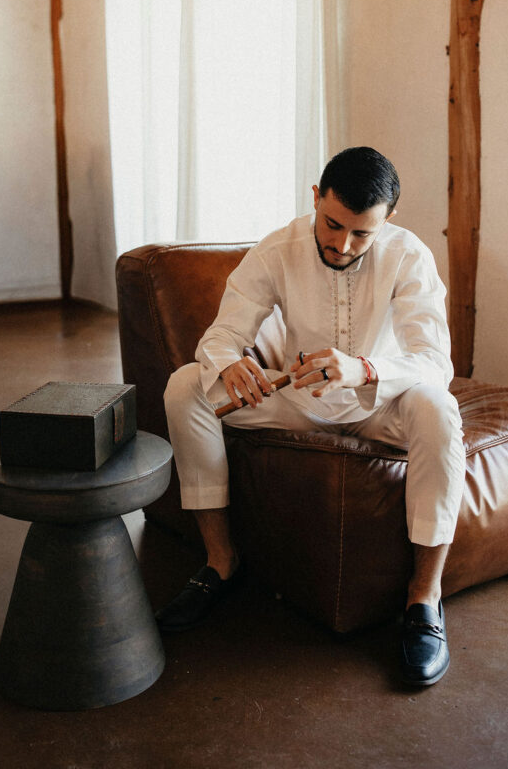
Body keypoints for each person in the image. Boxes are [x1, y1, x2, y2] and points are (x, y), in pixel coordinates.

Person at [159, 146, 465, 686]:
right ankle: (219, 562)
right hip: (298, 404)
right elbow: (222, 335)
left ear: (387, 221)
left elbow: (435, 363)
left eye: (362, 234)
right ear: (315, 199)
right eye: (332, 224)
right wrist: (230, 365)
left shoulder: (409, 255)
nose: (342, 245)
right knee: (186, 386)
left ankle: (424, 600)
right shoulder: (276, 249)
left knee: (439, 407)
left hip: (382, 404)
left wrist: (365, 369)